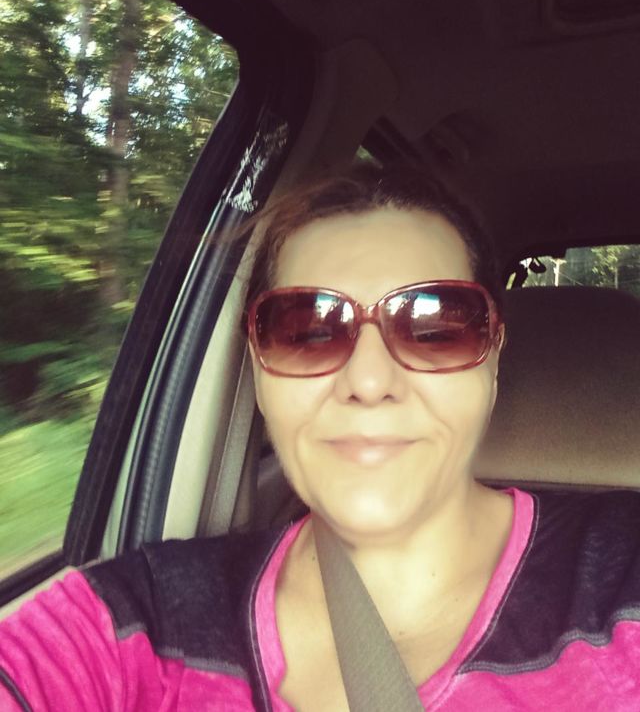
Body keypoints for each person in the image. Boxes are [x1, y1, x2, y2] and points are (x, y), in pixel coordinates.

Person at [2, 161, 640, 711]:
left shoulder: (621, 583)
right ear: (258, 367)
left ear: (492, 357)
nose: (369, 381)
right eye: (308, 331)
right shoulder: (130, 626)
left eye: (434, 328)